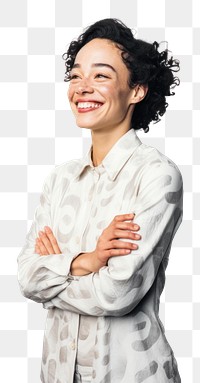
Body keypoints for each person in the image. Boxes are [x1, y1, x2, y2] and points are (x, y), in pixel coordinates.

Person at [17, 18, 183, 383]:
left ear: (136, 90)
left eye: (102, 76)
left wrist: (56, 271)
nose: (82, 88)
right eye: (76, 76)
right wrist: (89, 260)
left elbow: (117, 293)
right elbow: (27, 277)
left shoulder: (156, 175)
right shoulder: (60, 179)